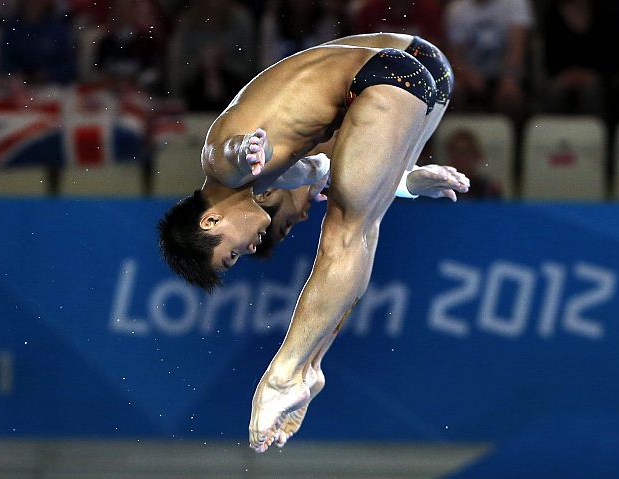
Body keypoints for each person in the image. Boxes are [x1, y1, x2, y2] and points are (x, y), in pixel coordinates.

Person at [157, 35, 469, 453]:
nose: (248, 250)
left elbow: (227, 151)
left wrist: (245, 148)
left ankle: (283, 376)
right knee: (361, 228)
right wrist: (406, 184)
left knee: (345, 232)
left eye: (230, 254)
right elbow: (333, 169)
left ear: (210, 220)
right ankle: (310, 366)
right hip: (411, 76)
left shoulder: (224, 168)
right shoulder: (268, 176)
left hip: (388, 75)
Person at [252, 32, 460, 259]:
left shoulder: (277, 154)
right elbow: (369, 168)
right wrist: (410, 183)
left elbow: (355, 168)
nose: (303, 217)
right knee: (363, 209)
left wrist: (407, 184)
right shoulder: (293, 164)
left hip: (403, 62)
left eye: (287, 222)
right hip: (417, 65)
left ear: (266, 194)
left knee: (354, 222)